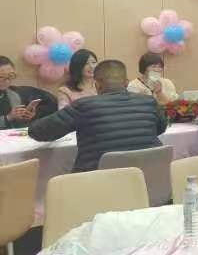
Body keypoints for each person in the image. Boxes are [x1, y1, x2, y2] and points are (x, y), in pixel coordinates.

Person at [29, 60, 167, 172]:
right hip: (148, 181)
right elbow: (161, 128)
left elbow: (38, 132)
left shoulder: (84, 106)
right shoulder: (149, 102)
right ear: (126, 83)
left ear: (97, 85)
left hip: (96, 184)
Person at [0, 56, 57, 129]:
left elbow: (16, 125)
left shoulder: (13, 95)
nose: (7, 80)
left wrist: (27, 116)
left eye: (10, 76)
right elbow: (9, 119)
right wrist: (8, 117)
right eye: (1, 77)